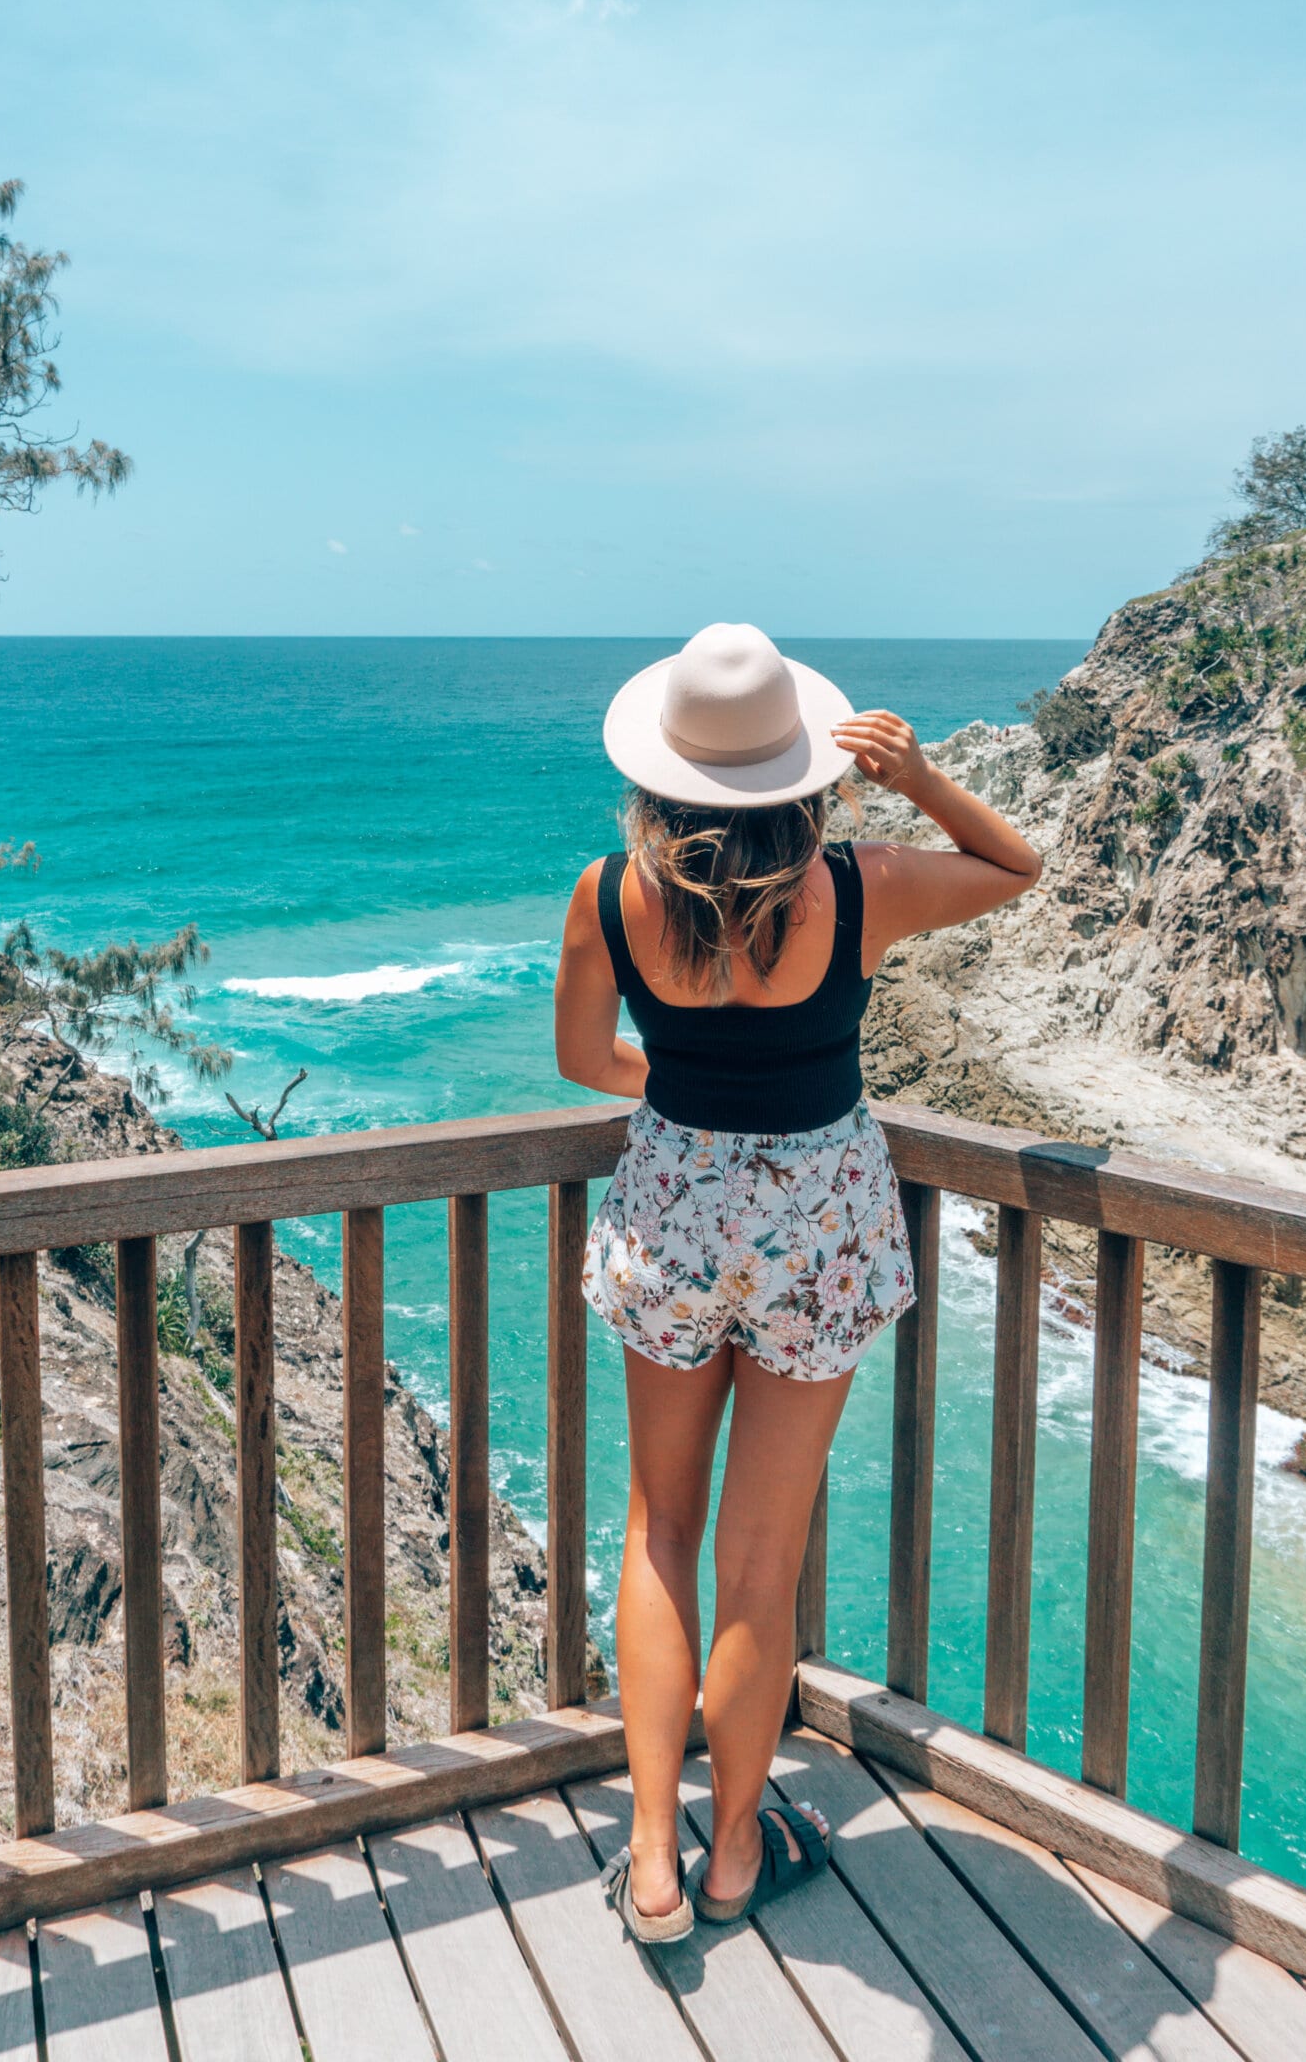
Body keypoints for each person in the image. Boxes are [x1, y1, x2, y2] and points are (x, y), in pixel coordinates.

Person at [553, 624, 1043, 1941]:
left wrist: (683, 1094)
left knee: (661, 1533)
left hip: (670, 1217)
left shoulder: (609, 895)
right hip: (820, 1233)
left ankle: (651, 1865)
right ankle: (733, 1862)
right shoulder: (863, 884)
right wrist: (925, 779)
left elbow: (582, 1059)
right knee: (759, 1565)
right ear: (802, 771)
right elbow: (1017, 866)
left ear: (664, 772)